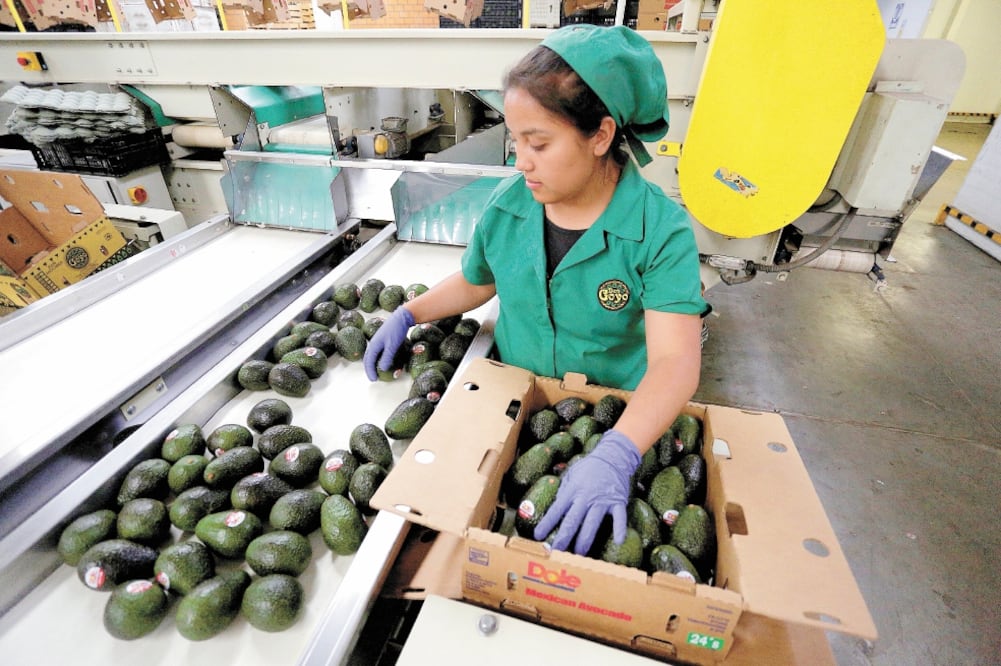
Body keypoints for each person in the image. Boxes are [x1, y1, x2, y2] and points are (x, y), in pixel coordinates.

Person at [363, 24, 708, 557]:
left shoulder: (660, 232)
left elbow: (675, 362)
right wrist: (410, 314)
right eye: (516, 140)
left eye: (539, 143)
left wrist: (616, 453)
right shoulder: (509, 205)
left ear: (600, 135)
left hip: (613, 417)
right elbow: (478, 282)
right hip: (517, 406)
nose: (521, 160)